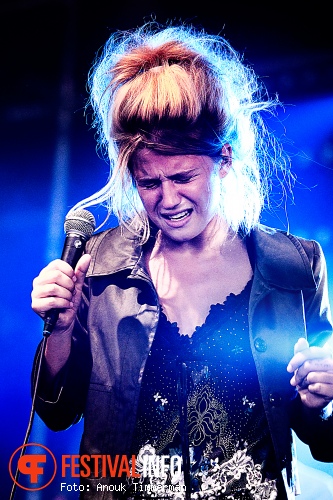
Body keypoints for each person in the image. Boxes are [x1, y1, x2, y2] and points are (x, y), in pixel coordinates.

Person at [31, 22, 333, 500]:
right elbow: (57, 410)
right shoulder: (100, 264)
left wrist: (324, 400)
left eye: (183, 177)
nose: (167, 199)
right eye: (149, 184)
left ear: (225, 158)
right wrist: (62, 329)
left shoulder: (295, 267)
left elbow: (321, 438)